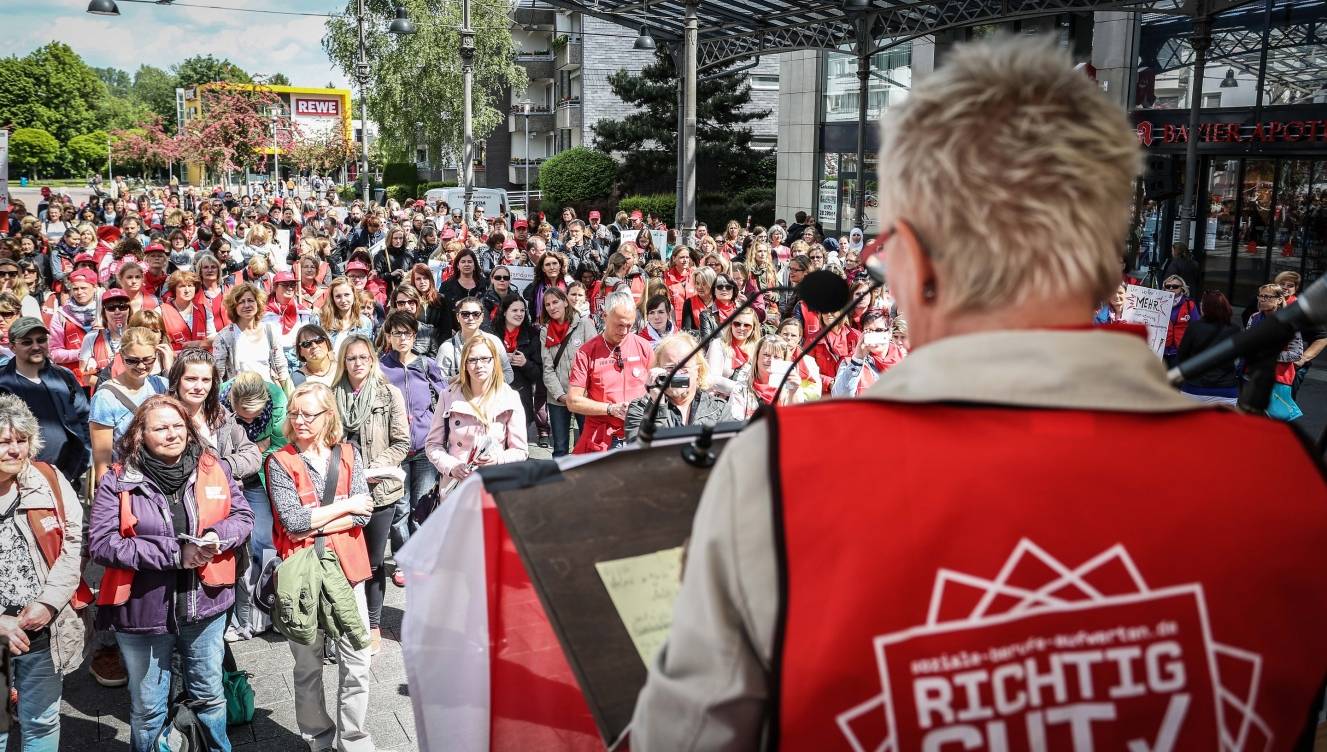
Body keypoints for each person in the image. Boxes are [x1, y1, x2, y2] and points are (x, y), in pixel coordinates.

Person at [634, 37, 1327, 748]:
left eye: (884, 252)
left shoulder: (776, 477)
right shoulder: (1289, 481)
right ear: (1104, 255)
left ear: (920, 261)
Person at [88, 394, 252, 752]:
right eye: (160, 427)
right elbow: (101, 543)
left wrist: (217, 536)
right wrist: (175, 554)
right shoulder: (118, 480)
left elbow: (242, 517)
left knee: (209, 695)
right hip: (142, 613)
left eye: (178, 426)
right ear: (139, 434)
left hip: (205, 606)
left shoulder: (214, 467)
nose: (172, 433)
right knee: (148, 709)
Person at [263, 382, 379, 752]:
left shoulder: (348, 453)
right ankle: (317, 739)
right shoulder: (278, 461)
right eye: (294, 413)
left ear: (328, 415)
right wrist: (346, 506)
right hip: (304, 573)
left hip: (348, 570)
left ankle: (354, 740)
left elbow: (366, 515)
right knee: (308, 664)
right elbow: (294, 522)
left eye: (308, 414)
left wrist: (324, 518)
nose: (298, 420)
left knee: (357, 659)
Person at [0, 394, 85, 752]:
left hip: (42, 629)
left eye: (22, 440)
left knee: (42, 720)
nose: (15, 450)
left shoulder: (47, 479)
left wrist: (49, 603)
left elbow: (74, 542)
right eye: (4, 442)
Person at [331, 333, 409, 655]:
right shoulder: (331, 396)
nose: (358, 363)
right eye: (352, 358)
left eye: (363, 357)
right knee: (342, 562)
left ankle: (373, 624)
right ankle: (345, 622)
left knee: (375, 563)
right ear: (343, 362)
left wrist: (375, 467)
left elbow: (402, 442)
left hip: (379, 491)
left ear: (372, 360)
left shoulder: (388, 394)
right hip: (342, 492)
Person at [219, 372, 288, 641]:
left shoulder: (278, 400)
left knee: (263, 541)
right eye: (242, 415)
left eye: (254, 415)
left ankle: (265, 607)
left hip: (260, 479)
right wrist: (255, 448)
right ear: (231, 401)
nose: (248, 420)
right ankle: (239, 616)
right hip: (229, 479)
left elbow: (283, 444)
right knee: (233, 544)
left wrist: (256, 453)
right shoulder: (218, 399)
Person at [378, 312, 445, 563]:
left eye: (407, 333)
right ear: (389, 336)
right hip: (395, 449)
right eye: (397, 333)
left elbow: (444, 399)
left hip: (425, 446)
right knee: (400, 508)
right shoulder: (380, 367)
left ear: (414, 335)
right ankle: (402, 559)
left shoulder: (427, 365)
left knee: (422, 505)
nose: (402, 338)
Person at [0, 318, 92, 495]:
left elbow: (84, 419)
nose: (36, 346)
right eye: (27, 342)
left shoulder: (64, 377)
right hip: (14, 484)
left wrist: (79, 464)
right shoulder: (3, 384)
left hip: (64, 479)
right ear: (12, 347)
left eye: (41, 340)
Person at [425, 335, 529, 484]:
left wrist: (498, 459)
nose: (479, 365)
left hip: (495, 485)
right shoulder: (448, 395)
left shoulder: (510, 397)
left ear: (495, 362)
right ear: (465, 365)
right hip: (457, 486)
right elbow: (432, 445)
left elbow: (521, 451)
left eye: (485, 359)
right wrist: (452, 466)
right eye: (472, 360)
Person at [566, 290, 653, 453]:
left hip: (638, 435)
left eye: (629, 325)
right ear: (605, 316)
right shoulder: (587, 352)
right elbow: (573, 401)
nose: (625, 331)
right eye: (619, 325)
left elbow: (656, 388)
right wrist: (610, 409)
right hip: (602, 440)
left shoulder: (643, 346)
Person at [88, 326, 170, 485]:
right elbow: (102, 462)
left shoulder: (162, 385)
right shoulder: (105, 397)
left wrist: (169, 368)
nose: (141, 366)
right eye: (132, 360)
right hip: (128, 482)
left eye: (148, 359)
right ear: (121, 356)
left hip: (163, 478)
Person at [624, 333, 728, 440]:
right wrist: (658, 404)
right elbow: (640, 451)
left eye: (684, 368)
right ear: (658, 370)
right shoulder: (639, 408)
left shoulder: (718, 409)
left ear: (699, 371)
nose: (677, 374)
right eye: (670, 367)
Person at [539, 287, 596, 458]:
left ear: (565, 302)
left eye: (555, 302)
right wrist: (561, 395)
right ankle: (561, 483)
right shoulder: (544, 331)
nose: (552, 307)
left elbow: (595, 360)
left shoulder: (584, 324)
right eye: (547, 304)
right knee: (560, 448)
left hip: (584, 396)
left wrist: (583, 393)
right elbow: (547, 368)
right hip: (558, 397)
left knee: (588, 446)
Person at [212, 282, 289, 386]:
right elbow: (218, 374)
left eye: (251, 301)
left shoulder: (270, 331)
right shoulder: (224, 337)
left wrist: (288, 395)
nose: (247, 305)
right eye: (241, 302)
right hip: (240, 395)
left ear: (258, 304)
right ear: (234, 307)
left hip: (269, 394)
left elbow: (281, 367)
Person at [1177, 290, 1240, 406]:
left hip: (1194, 387)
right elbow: (1239, 357)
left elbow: (1182, 355)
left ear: (1205, 307)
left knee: (1189, 424)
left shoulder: (1195, 328)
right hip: (1226, 389)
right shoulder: (1234, 329)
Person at [489, 293, 541, 436]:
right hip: (494, 395)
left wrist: (525, 363)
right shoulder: (491, 333)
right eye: (514, 310)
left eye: (522, 310)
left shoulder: (532, 335)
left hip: (521, 398)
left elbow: (538, 373)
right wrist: (500, 360)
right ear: (505, 312)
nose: (519, 314)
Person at [726, 334, 805, 419]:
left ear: (784, 360)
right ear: (757, 357)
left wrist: (793, 392)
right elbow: (735, 422)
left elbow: (796, 419)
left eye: (777, 356)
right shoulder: (741, 388)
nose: (771, 360)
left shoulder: (791, 387)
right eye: (766, 355)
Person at [437, 297, 514, 383]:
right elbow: (438, 381)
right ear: (457, 317)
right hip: (459, 394)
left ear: (482, 317)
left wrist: (489, 383)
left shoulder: (494, 341)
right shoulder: (447, 347)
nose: (470, 318)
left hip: (490, 395)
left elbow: (508, 373)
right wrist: (462, 378)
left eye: (476, 314)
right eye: (465, 314)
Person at [830, 310, 906, 397]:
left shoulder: (905, 360)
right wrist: (857, 360)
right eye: (868, 331)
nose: (874, 336)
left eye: (879, 330)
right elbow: (839, 397)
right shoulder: (849, 363)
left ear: (889, 333)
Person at [705, 306, 759, 397]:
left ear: (753, 329)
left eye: (747, 325)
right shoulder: (718, 345)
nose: (741, 328)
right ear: (731, 325)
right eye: (737, 324)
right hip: (719, 401)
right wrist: (743, 390)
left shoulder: (757, 349)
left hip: (745, 402)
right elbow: (713, 379)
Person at [316, 277, 374, 357]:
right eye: (338, 296)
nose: (343, 300)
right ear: (332, 298)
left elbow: (369, 353)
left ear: (354, 295)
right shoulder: (320, 320)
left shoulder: (365, 322)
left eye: (347, 295)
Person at [160, 270, 217, 352]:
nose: (187, 290)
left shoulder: (205, 310)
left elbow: (213, 337)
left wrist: (199, 344)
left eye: (190, 286)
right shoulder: (161, 311)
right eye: (182, 286)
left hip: (199, 361)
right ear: (174, 289)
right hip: (174, 362)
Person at [1161, 274, 1197, 368]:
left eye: (1175, 286)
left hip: (1180, 353)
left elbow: (1196, 328)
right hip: (1160, 351)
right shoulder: (1157, 303)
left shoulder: (1190, 305)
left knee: (1177, 381)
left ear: (1182, 288)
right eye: (1168, 286)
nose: (1171, 288)